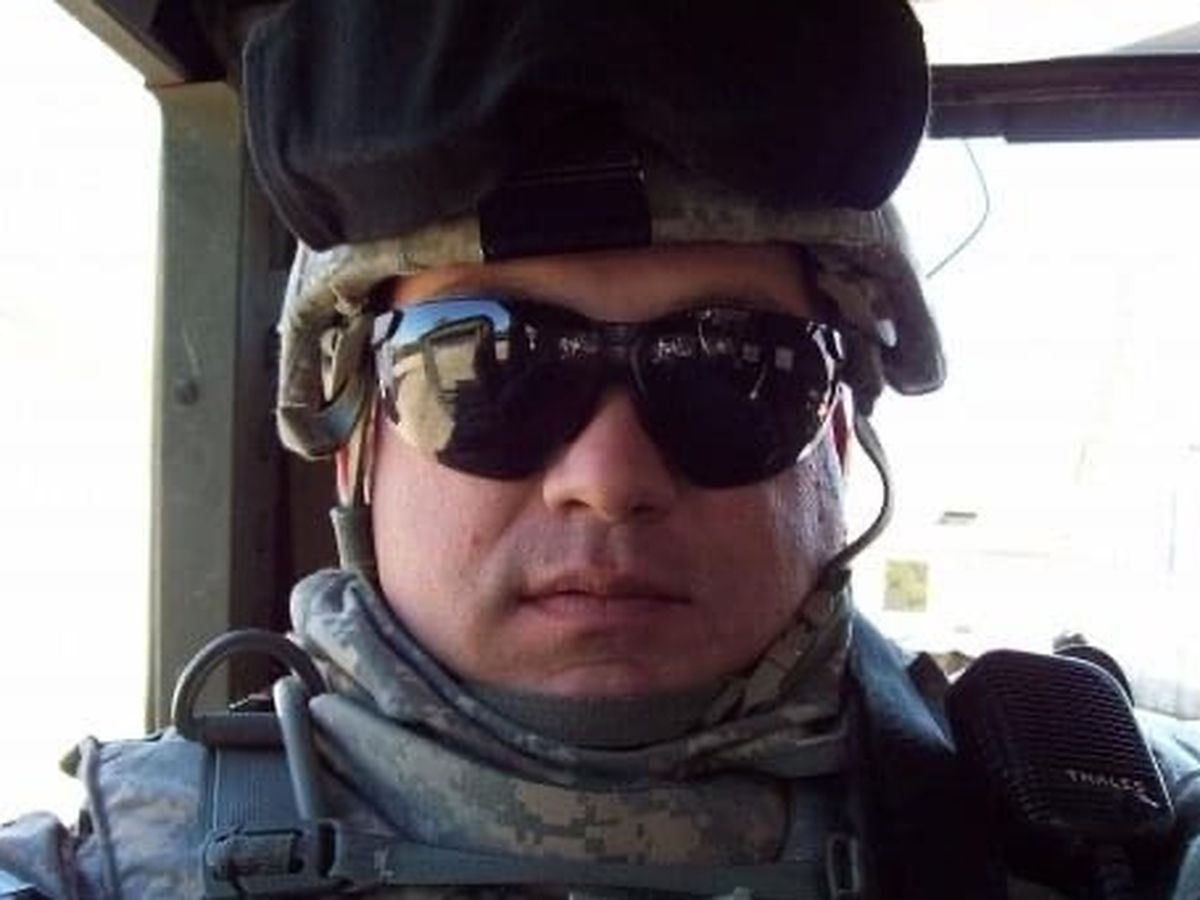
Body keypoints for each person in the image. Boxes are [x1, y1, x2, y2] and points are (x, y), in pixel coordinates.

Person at [3, 2, 1198, 898]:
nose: (609, 480)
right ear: (360, 445)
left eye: (733, 370)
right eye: (485, 370)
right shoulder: (108, 867)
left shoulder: (1104, 821)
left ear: (836, 443)